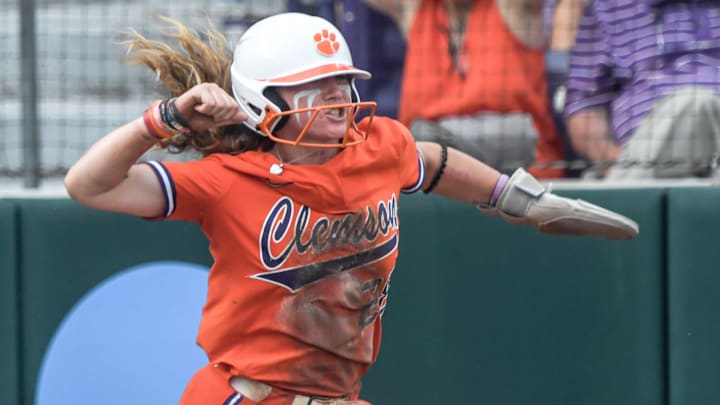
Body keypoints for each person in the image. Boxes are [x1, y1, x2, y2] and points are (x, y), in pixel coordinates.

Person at [64, 12, 638, 405]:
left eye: (342, 81)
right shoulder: (224, 182)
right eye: (319, 88)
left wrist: (518, 199)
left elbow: (432, 161)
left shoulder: (376, 145)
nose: (340, 98)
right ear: (265, 103)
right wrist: (163, 120)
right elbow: (89, 186)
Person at [363, 0, 567, 178]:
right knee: (414, 144)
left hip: (519, 168)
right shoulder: (415, 7)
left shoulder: (514, 6)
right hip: (437, 170)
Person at [564, 0, 720, 179]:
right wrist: (618, 163)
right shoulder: (608, 7)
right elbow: (584, 107)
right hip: (648, 154)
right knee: (696, 105)